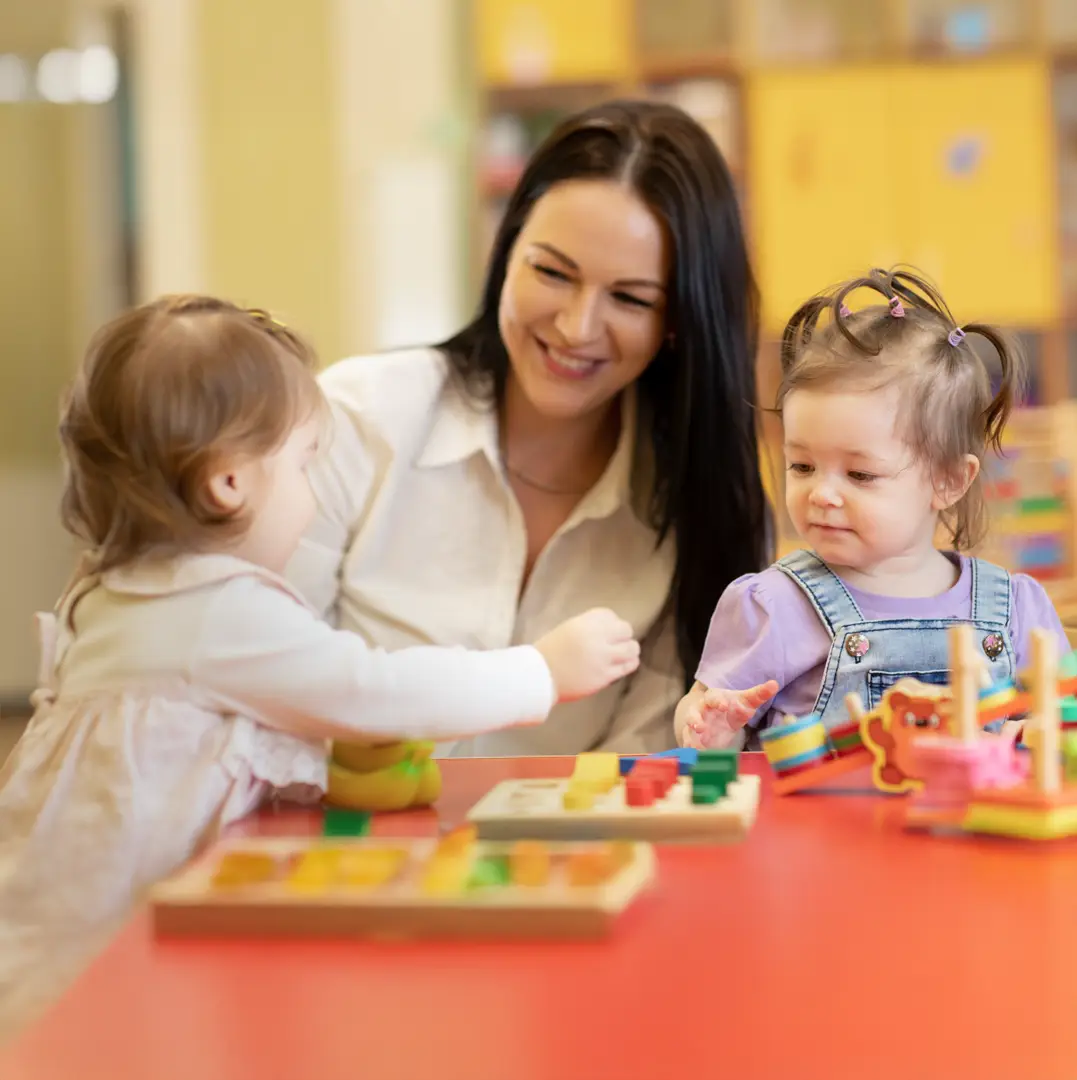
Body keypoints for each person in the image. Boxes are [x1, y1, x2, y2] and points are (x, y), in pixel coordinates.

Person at [0, 295, 638, 1043]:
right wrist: (540, 670)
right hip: (103, 963)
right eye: (304, 463)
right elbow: (377, 692)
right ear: (228, 483)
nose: (312, 491)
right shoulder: (215, 615)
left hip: (57, 938)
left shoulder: (117, 592)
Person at [287, 100, 770, 756]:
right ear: (504, 251)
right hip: (330, 849)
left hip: (566, 858)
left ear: (679, 322)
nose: (575, 327)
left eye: (629, 299)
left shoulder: (699, 508)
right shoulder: (355, 418)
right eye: (551, 272)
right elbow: (261, 676)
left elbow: (648, 773)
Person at [676, 267, 1068, 750]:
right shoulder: (773, 606)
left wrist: (1040, 731)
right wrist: (708, 725)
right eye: (802, 466)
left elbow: (1059, 724)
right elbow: (705, 732)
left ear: (948, 481)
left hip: (974, 824)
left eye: (860, 475)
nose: (822, 493)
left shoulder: (1015, 610)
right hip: (821, 827)